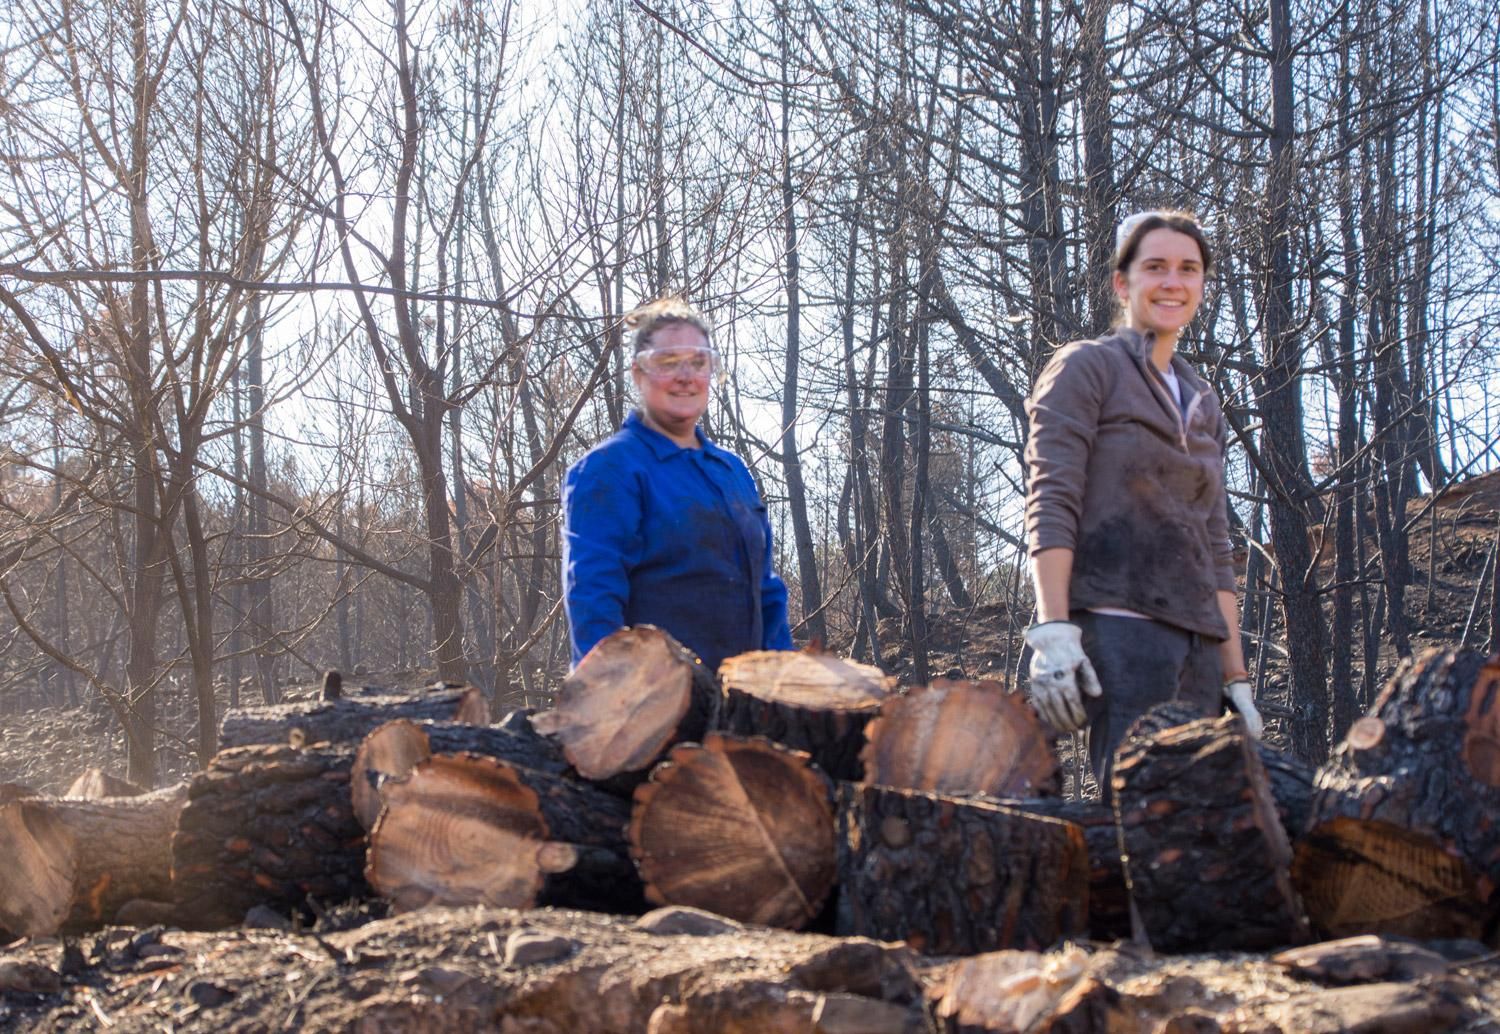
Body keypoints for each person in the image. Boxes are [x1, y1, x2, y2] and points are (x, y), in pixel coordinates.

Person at [1022, 210, 1262, 795]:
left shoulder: (1202, 400)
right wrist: (1055, 629)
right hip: (1119, 631)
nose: (1173, 282)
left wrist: (1236, 677)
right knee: (1133, 821)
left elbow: (1216, 547)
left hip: (1199, 648)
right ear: (1122, 283)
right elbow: (1051, 496)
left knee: (1199, 834)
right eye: (1155, 267)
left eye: (1189, 269)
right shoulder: (1087, 366)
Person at [561, 298, 794, 672]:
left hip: (743, 710)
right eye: (668, 362)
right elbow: (594, 602)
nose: (685, 376)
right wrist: (611, 700)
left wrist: (788, 688)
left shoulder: (730, 470)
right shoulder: (609, 469)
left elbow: (765, 592)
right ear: (639, 374)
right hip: (653, 707)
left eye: (698, 362)